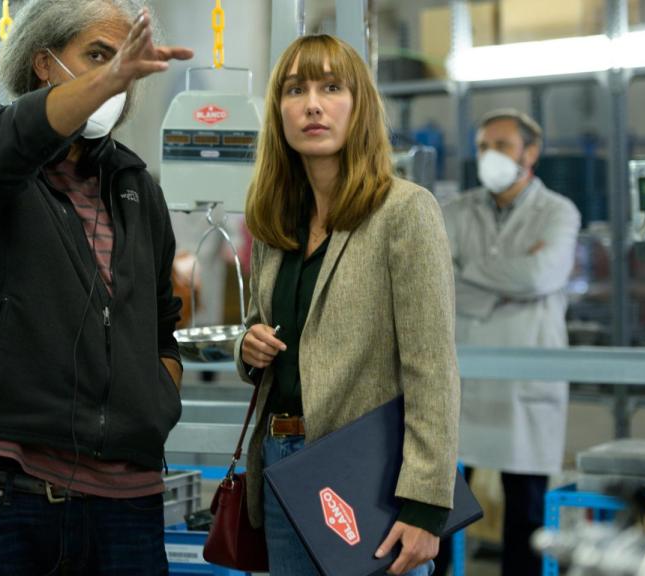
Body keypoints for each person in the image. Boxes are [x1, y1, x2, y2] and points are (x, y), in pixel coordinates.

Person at [0, 1, 192, 574]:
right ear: (44, 64)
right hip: (5, 488)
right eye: (98, 56)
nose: (116, 76)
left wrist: (155, 399)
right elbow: (9, 142)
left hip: (127, 497)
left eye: (125, 62)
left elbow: (161, 327)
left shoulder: (133, 185)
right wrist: (109, 79)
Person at [236, 34, 460, 576]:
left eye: (331, 87)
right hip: (280, 468)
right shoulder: (274, 223)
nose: (312, 103)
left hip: (366, 474)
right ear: (279, 112)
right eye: (296, 90)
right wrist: (248, 346)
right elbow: (261, 329)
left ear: (358, 106)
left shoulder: (404, 211)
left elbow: (431, 367)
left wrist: (426, 506)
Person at [436, 109, 580, 576]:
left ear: (530, 153)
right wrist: (506, 281)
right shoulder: (456, 210)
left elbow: (542, 274)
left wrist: (469, 274)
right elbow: (438, 280)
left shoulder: (558, 211)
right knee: (437, 510)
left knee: (527, 514)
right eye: (482, 146)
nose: (489, 156)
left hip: (525, 383)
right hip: (465, 377)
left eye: (501, 145)